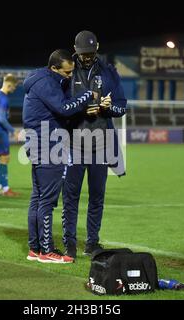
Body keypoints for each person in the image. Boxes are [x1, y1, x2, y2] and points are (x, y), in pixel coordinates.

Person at [23, 49, 97, 263]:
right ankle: (46, 251)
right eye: (66, 73)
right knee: (47, 201)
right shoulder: (46, 83)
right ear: (54, 68)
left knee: (38, 198)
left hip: (39, 142)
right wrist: (86, 95)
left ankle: (35, 249)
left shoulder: (41, 79)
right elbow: (64, 108)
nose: (70, 76)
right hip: (48, 144)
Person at [62, 31, 127, 259]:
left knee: (97, 196)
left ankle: (92, 242)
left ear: (97, 47)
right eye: (83, 53)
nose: (87, 57)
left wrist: (107, 108)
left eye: (90, 53)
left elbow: (122, 106)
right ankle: (69, 243)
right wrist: (81, 109)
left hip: (101, 144)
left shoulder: (109, 72)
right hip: (73, 145)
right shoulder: (67, 70)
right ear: (75, 49)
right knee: (70, 197)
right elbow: (59, 107)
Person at [0, 73, 19, 196]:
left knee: (2, 157)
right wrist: (13, 131)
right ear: (9, 84)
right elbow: (2, 119)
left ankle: (0, 187)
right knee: (5, 158)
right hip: (0, 130)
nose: (14, 89)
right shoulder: (3, 98)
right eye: (14, 86)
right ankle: (5, 189)